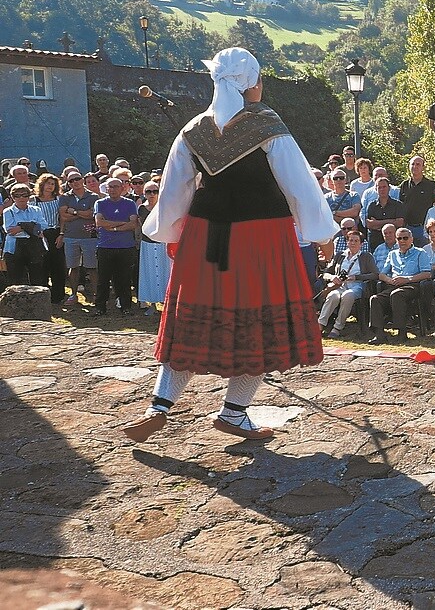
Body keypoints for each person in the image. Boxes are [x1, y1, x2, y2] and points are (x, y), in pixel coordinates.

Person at [121, 47, 338, 444]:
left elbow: (173, 192)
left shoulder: (193, 129)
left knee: (192, 322)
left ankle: (159, 406)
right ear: (254, 82)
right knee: (259, 327)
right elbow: (300, 186)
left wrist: (172, 234)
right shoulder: (267, 126)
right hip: (262, 239)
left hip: (205, 236)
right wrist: (322, 235)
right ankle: (233, 412)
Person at [368, 226, 432, 344]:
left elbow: (427, 274)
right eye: (399, 238)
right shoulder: (392, 254)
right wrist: (389, 280)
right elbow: (381, 274)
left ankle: (401, 333)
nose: (402, 241)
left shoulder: (420, 253)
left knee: (397, 295)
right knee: (375, 299)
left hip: (412, 285)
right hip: (394, 285)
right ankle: (380, 334)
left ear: (411, 239)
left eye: (405, 238)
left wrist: (407, 279)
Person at [317, 230, 377, 339]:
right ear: (347, 242)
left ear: (361, 244)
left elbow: (375, 275)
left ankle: (338, 327)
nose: (353, 243)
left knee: (348, 295)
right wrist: (332, 277)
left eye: (356, 241)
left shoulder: (366, 257)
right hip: (340, 285)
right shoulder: (340, 255)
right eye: (350, 240)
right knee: (333, 296)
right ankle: (320, 325)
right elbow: (326, 272)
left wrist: (356, 277)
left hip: (357, 286)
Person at [93, 177, 140, 316]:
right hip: (105, 246)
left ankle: (126, 306)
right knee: (103, 279)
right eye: (110, 187)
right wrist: (121, 224)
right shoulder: (100, 203)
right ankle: (100, 307)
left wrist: (113, 227)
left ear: (122, 188)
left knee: (124, 279)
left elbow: (133, 224)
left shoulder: (130, 203)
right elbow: (99, 222)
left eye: (116, 186)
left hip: (126, 246)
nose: (113, 189)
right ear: (106, 189)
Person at [59, 170, 99, 305]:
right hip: (71, 237)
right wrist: (82, 213)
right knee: (73, 267)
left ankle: (96, 295)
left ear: (82, 179)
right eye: (71, 181)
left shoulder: (93, 197)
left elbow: (92, 215)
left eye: (77, 179)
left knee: (92, 267)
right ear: (68, 183)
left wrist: (73, 211)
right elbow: (63, 216)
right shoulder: (64, 197)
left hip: (90, 237)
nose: (75, 182)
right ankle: (73, 294)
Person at [136, 181, 171, 316]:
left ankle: (166, 302)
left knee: (165, 271)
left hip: (162, 243)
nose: (151, 195)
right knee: (149, 273)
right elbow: (141, 226)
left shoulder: (164, 207)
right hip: (147, 244)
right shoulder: (142, 209)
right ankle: (152, 303)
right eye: (148, 192)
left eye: (154, 191)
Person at [2, 184, 48, 287]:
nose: (21, 198)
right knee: (16, 280)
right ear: (12, 197)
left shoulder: (36, 210)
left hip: (34, 246)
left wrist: (21, 227)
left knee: (37, 278)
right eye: (17, 196)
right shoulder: (8, 211)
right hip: (14, 248)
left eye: (24, 195)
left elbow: (44, 225)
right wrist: (32, 226)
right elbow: (10, 230)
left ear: (29, 196)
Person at [33, 173, 66, 303]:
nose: (50, 186)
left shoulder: (59, 199)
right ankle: (43, 295)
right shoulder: (33, 200)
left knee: (58, 265)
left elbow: (62, 218)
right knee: (42, 266)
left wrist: (61, 234)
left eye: (53, 184)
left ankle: (58, 296)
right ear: (42, 184)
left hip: (56, 233)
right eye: (48, 183)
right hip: (40, 234)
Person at [397, 156, 435, 246]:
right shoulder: (405, 185)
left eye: (418, 164)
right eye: (412, 164)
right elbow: (401, 204)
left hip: (424, 228)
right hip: (408, 227)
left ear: (423, 167)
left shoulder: (431, 185)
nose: (415, 166)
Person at [363, 176, 403, 251]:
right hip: (375, 242)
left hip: (394, 243)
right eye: (379, 187)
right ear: (376, 189)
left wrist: (377, 223)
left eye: (384, 187)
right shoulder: (372, 205)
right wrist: (391, 221)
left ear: (389, 188)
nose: (382, 189)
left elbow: (399, 223)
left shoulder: (398, 204)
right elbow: (369, 224)